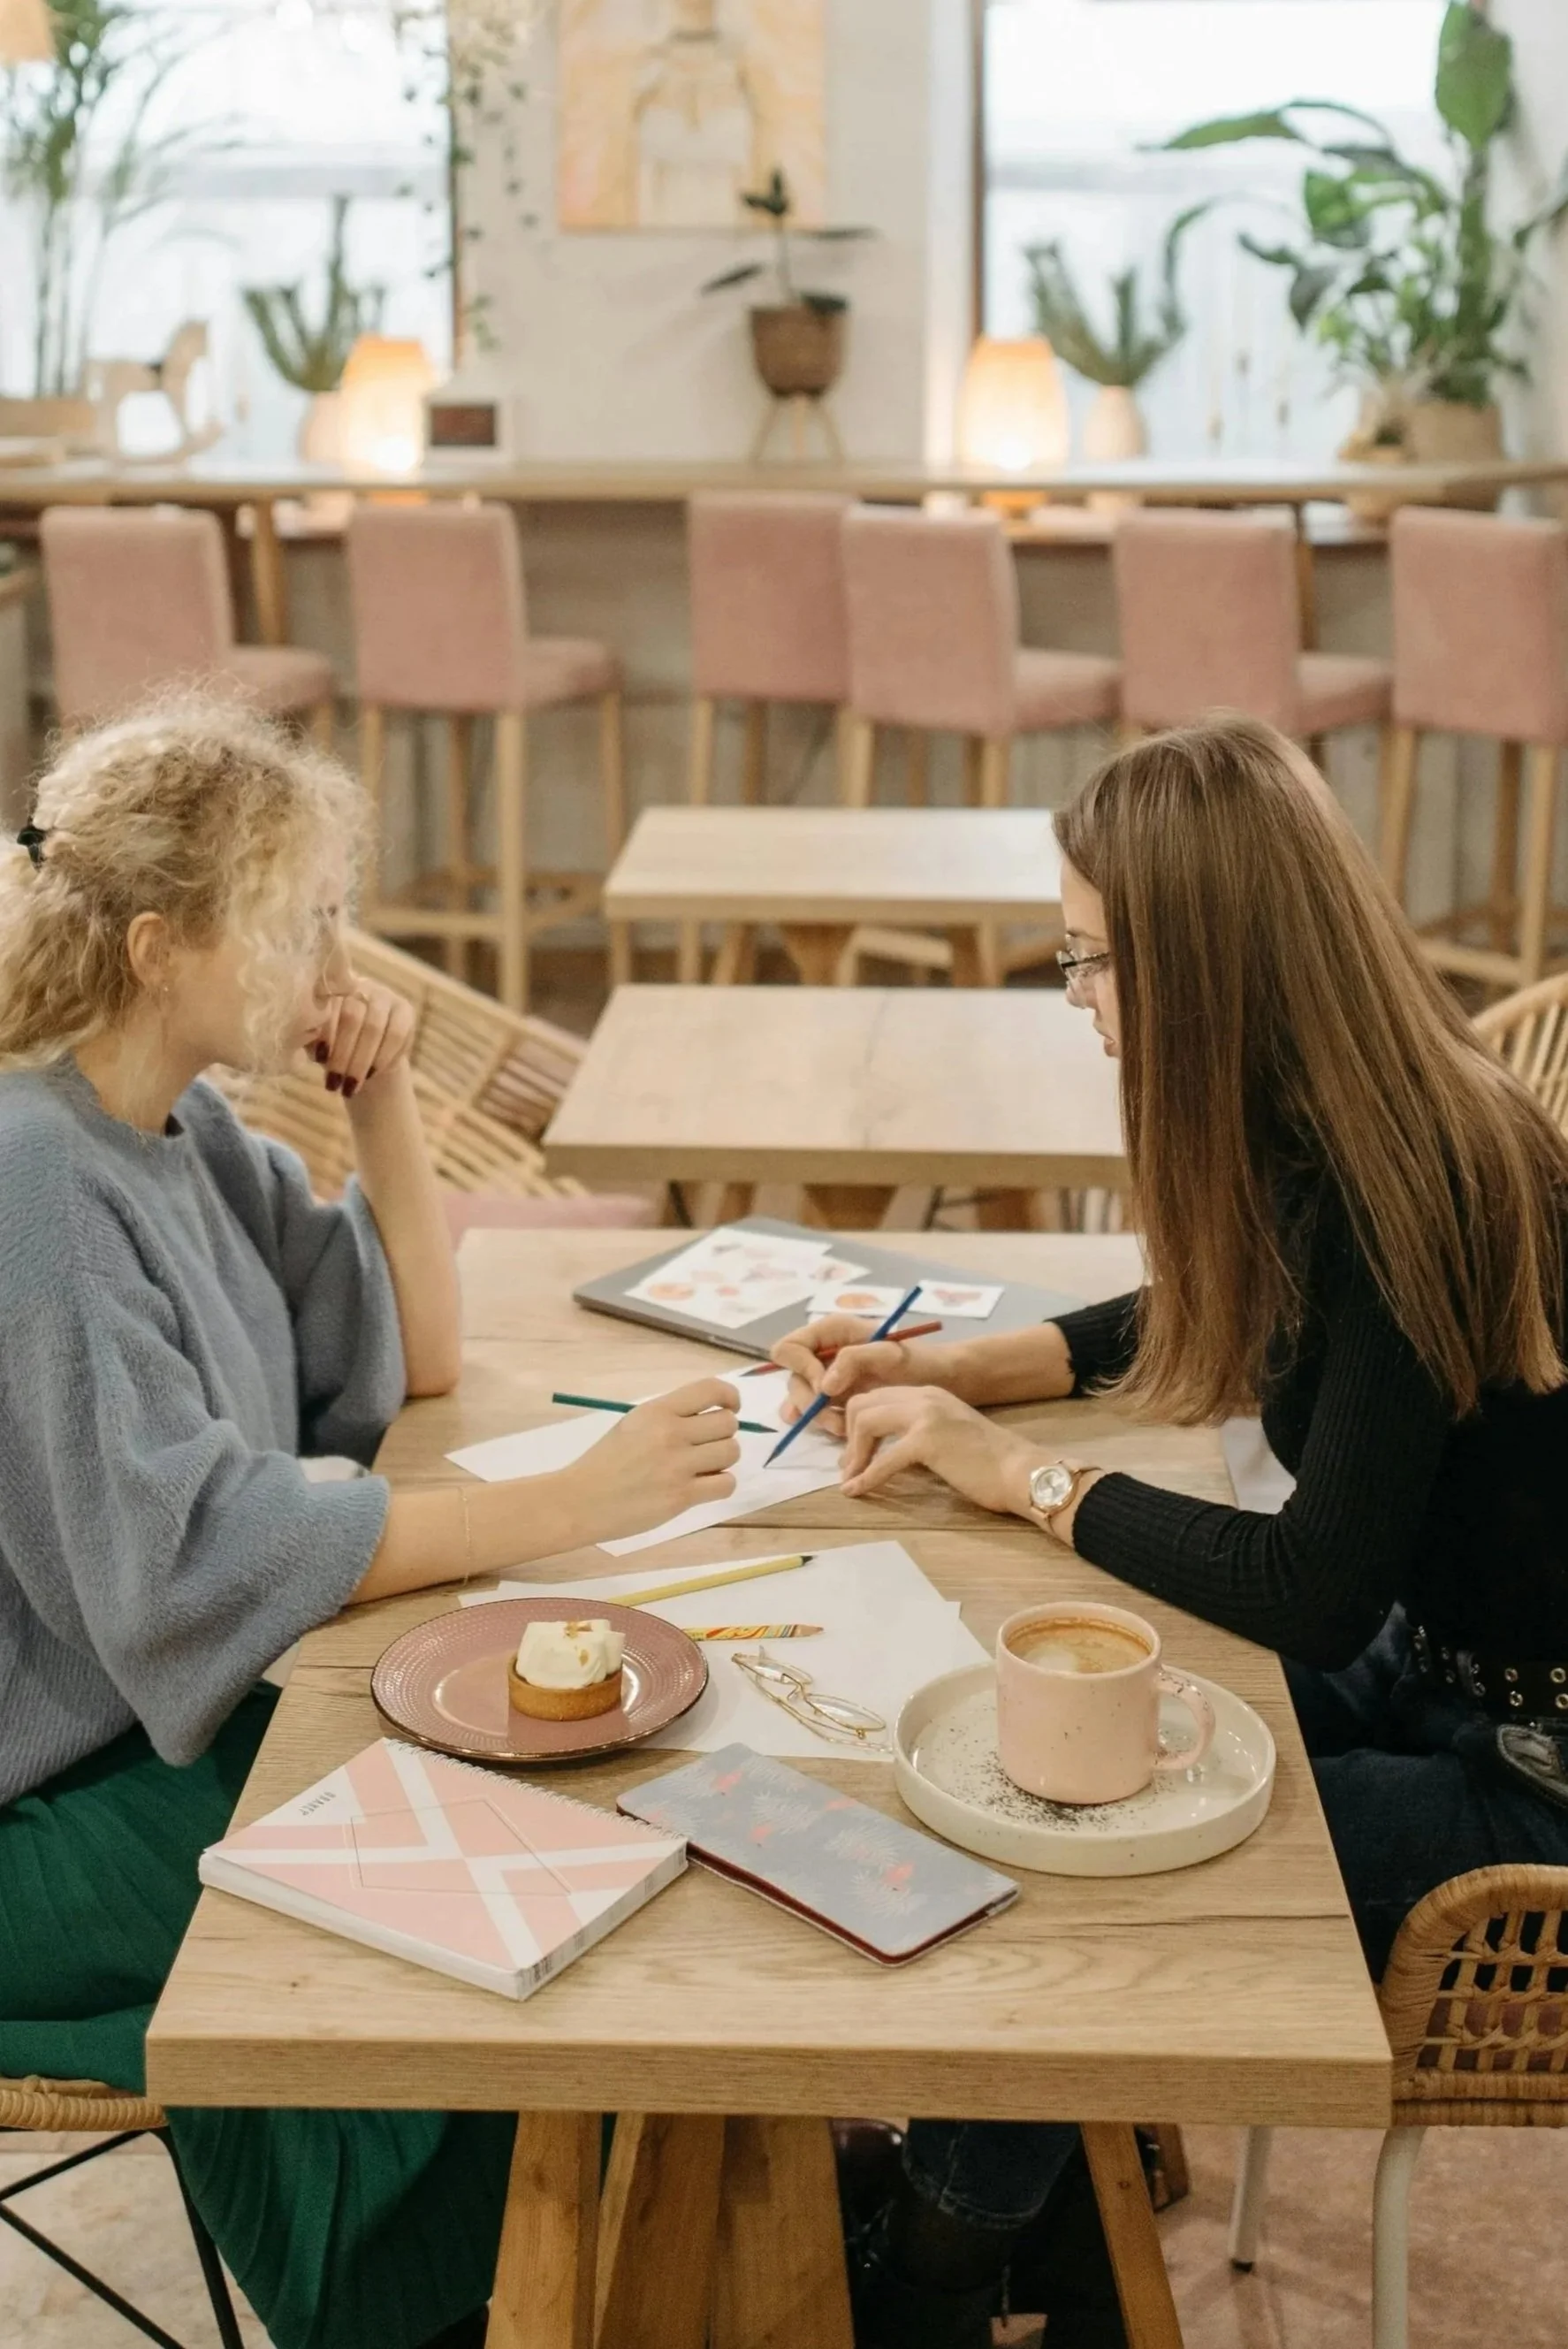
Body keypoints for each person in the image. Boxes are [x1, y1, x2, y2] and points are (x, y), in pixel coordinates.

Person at [780, 718, 1568, 2349]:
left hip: (1530, 1777)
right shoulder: (1353, 1115)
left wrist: (1016, 1476)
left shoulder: (1413, 1175)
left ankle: (942, 2274)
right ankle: (1047, 2229)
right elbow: (1229, 1307)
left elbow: (1304, 1587)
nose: (1081, 1002)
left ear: (1200, 965)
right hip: (1444, 1669)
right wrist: (972, 1361)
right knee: (1059, 1759)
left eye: (1087, 962)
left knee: (1081, 1856)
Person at [0, 701, 744, 2349]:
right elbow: (186, 1559)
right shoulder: (35, 1183)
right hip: (41, 1809)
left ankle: (603, 2263)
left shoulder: (180, 1129)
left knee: (539, 1843)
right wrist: (567, 1503)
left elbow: (412, 1354)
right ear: (155, 946)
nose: (334, 953)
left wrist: (386, 1101)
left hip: (154, 1738)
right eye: (299, 916)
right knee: (418, 1921)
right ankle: (453, 2307)